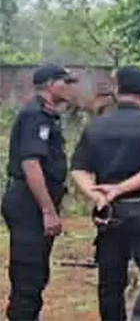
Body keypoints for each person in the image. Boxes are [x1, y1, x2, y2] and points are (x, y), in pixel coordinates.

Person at [70, 66, 140, 321]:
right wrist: (120, 189)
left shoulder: (97, 126)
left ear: (118, 92)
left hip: (109, 214)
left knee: (111, 283)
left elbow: (78, 169)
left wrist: (98, 196)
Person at [2, 63, 79, 320]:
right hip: (28, 203)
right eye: (65, 82)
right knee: (29, 271)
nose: (70, 88)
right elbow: (31, 164)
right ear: (49, 84)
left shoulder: (47, 115)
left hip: (34, 202)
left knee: (36, 271)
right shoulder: (35, 115)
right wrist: (48, 210)